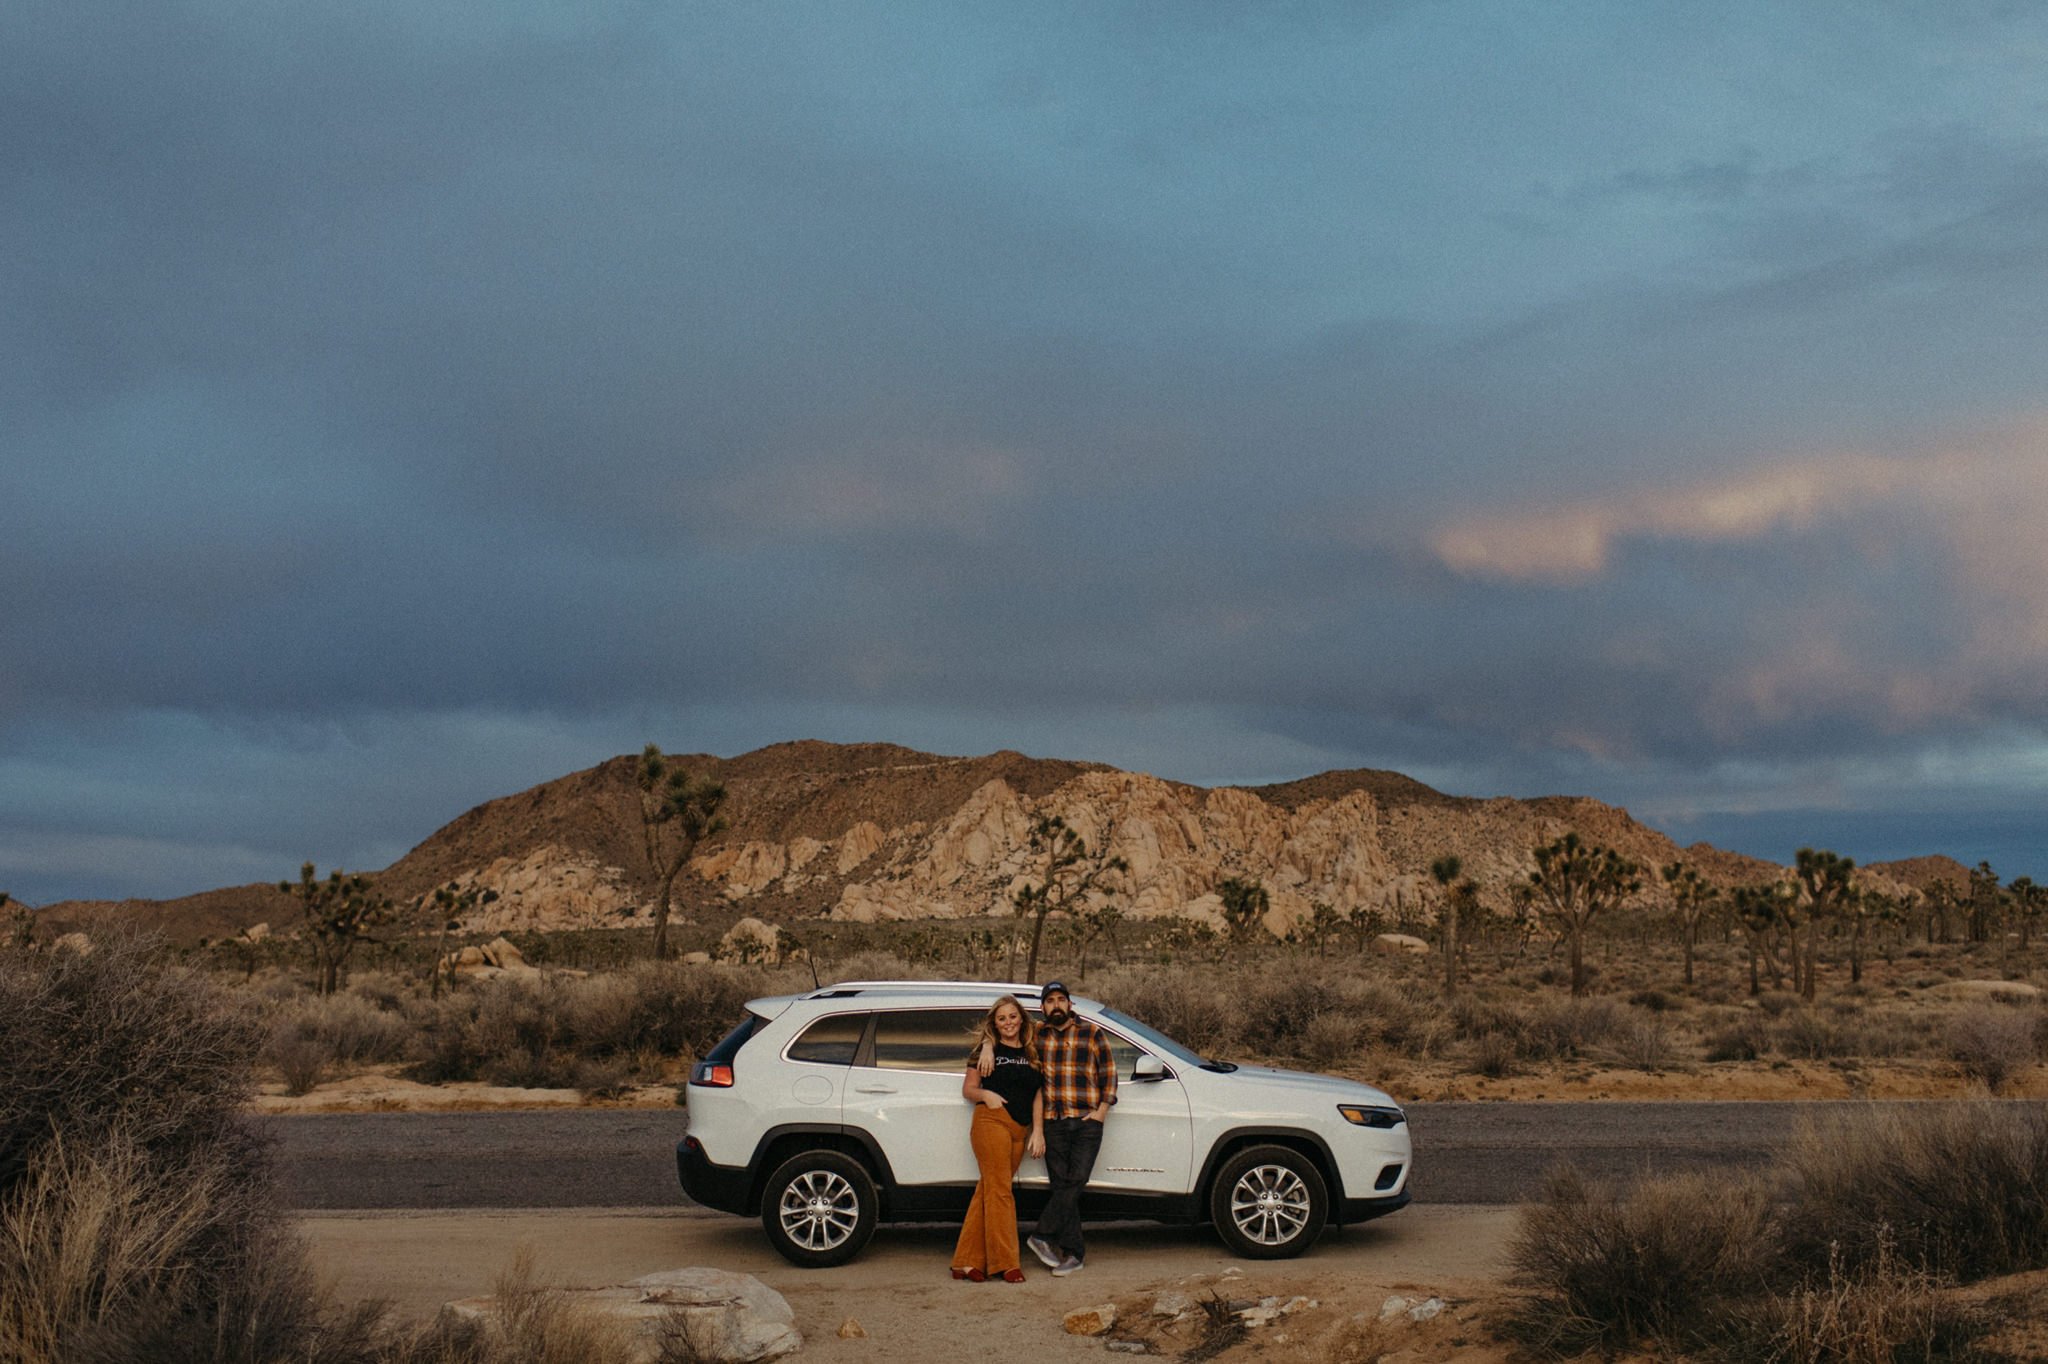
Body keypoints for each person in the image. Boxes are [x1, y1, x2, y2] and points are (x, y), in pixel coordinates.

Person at [951, 994, 1045, 1283]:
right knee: (1002, 1191)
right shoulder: (984, 1050)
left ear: (1022, 1018)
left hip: (1020, 1130)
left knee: (989, 1190)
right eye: (1001, 1018)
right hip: (991, 1121)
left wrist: (1038, 1130)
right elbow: (968, 1089)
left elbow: (1038, 1093)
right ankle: (1006, 1264)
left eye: (1013, 1016)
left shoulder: (1033, 1049)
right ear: (995, 1022)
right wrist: (986, 1094)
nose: (1008, 1023)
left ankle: (964, 1262)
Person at [1023, 980, 1114, 1277]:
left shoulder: (1092, 1033)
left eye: (1061, 999)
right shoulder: (1037, 1035)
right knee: (1062, 1186)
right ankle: (1074, 1254)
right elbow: (1002, 1033)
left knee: (1076, 1181)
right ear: (1042, 1008)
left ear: (1070, 1004)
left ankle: (1042, 1234)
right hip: (1054, 1122)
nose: (1056, 1005)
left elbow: (1108, 1074)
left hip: (1087, 1122)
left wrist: (1101, 1112)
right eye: (1050, 1001)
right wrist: (986, 1046)